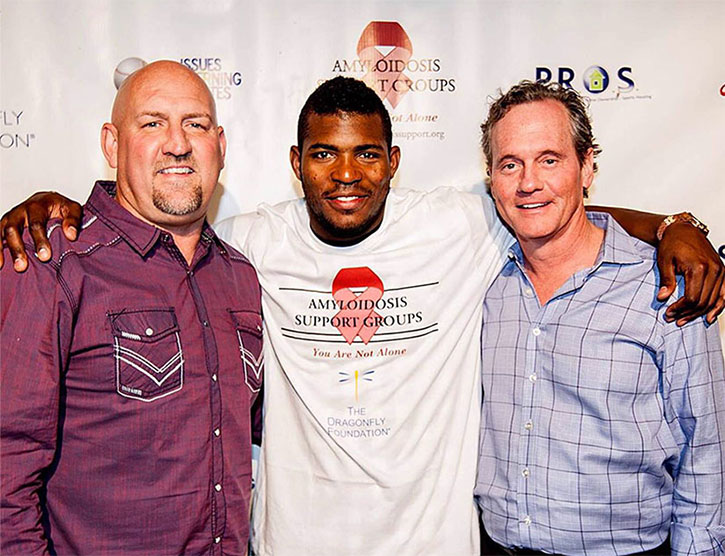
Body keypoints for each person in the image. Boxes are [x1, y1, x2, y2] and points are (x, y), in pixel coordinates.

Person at [2, 76, 724, 556]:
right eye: (324, 153)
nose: (345, 173)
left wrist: (672, 224)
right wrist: (53, 209)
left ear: (393, 160)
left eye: (366, 154)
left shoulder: (459, 224)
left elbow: (556, 212)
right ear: (295, 161)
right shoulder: (245, 246)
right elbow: (149, 224)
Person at [0, 61, 263, 555]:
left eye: (196, 124)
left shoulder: (240, 277)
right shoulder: (53, 266)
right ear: (112, 145)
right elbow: (6, 465)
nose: (178, 143)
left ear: (221, 147)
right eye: (152, 123)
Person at [475, 81, 725, 555]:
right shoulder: (479, 275)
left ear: (587, 166)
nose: (529, 182)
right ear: (492, 179)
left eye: (550, 159)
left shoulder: (665, 283)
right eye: (511, 164)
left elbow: (707, 450)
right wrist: (671, 222)